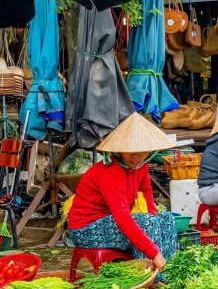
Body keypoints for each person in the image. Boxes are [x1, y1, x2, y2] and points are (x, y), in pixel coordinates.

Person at [68, 113, 179, 272]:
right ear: (120, 150)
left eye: (142, 151)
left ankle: (166, 274)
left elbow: (146, 190)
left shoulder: (140, 166)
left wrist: (154, 217)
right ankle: (146, 276)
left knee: (166, 220)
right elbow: (122, 218)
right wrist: (153, 253)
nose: (137, 156)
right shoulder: (111, 172)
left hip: (110, 221)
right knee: (144, 223)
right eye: (131, 151)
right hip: (86, 230)